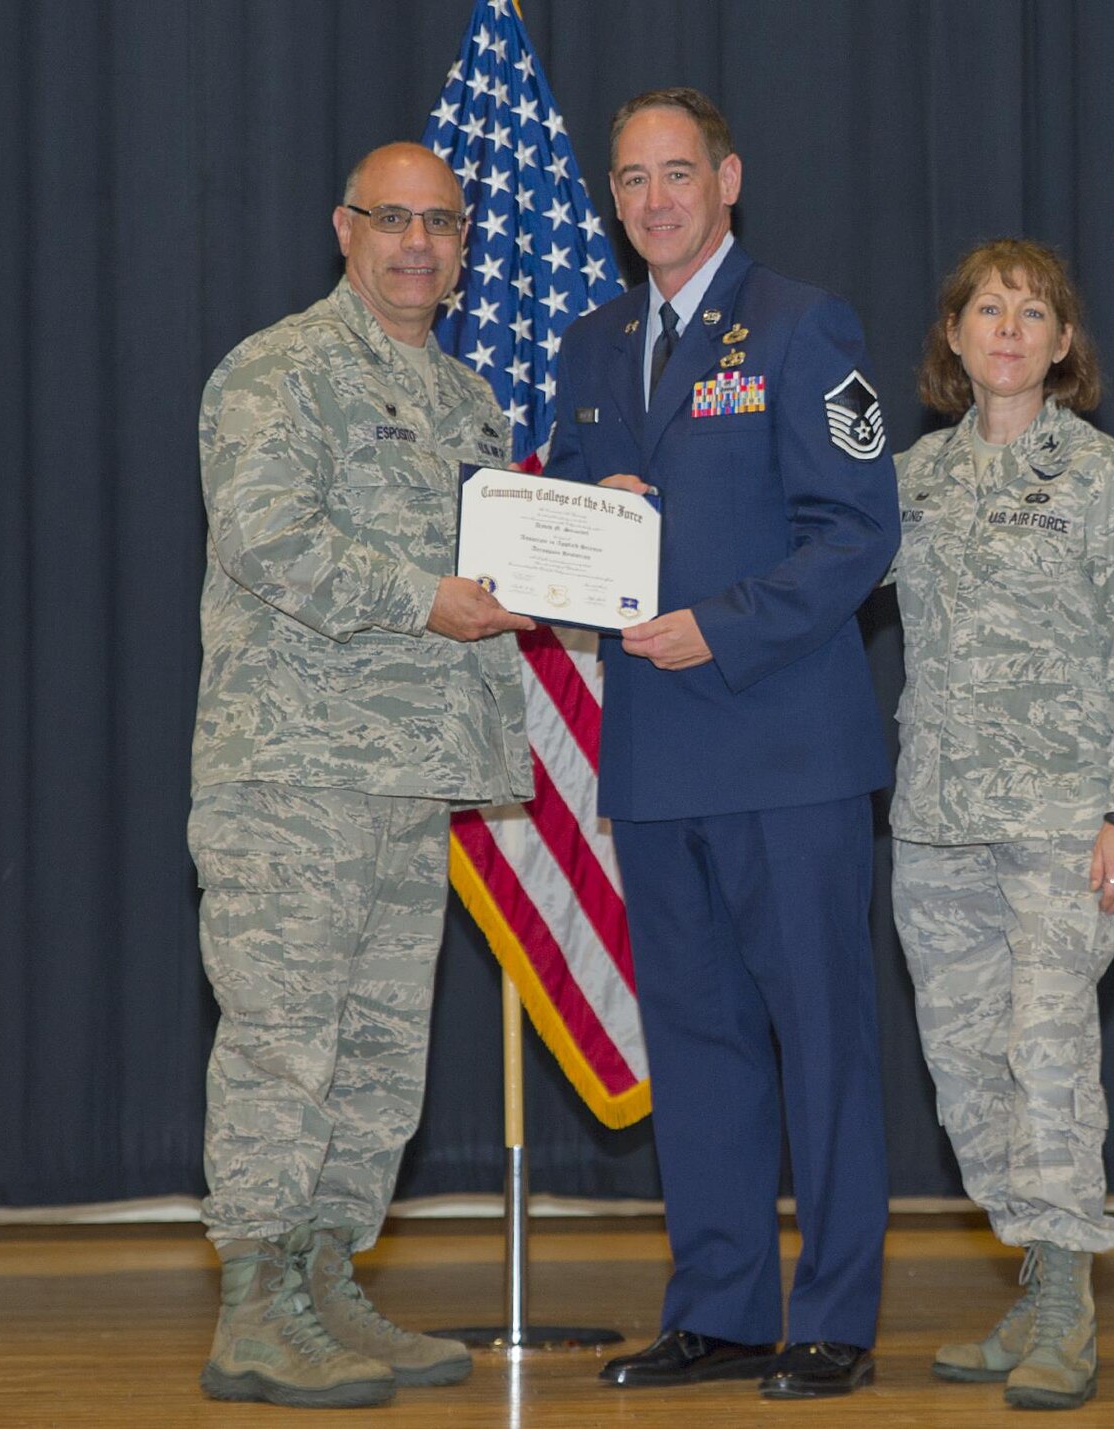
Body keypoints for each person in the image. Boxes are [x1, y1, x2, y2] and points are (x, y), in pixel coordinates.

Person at [543, 88, 901, 1399]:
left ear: (729, 177)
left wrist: (726, 626)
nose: (653, 200)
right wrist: (583, 517)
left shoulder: (806, 326)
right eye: (631, 179)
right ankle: (724, 1305)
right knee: (696, 1042)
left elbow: (859, 531)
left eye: (676, 172)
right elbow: (561, 525)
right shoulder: (591, 345)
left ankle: (833, 1318)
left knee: (822, 1042)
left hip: (787, 751)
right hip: (653, 756)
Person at [189, 141, 535, 1410]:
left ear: (461, 244)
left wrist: (580, 542)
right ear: (344, 229)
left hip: (412, 777)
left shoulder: (466, 398)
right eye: (392, 218)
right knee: (285, 1045)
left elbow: (494, 564)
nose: (416, 243)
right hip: (293, 771)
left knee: (379, 1056)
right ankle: (251, 1307)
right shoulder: (280, 369)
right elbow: (266, 537)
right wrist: (422, 599)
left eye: (440, 223)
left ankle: (325, 1281)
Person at [888, 238, 1114, 1411]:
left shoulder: (1100, 475)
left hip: (1063, 828)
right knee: (965, 1069)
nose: (1008, 327)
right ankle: (1030, 1282)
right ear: (954, 339)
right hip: (936, 827)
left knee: (1047, 1055)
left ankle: (1066, 1299)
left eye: (1032, 311)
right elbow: (811, 576)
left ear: (1062, 344)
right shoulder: (912, 479)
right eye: (985, 308)